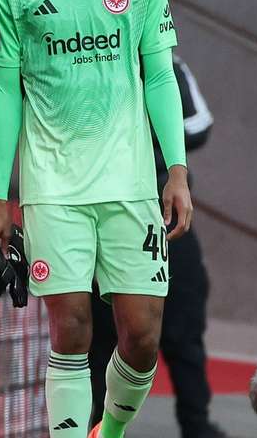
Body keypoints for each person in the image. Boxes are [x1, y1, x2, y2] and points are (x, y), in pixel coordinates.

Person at [0, 0, 192, 438]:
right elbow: (4, 93)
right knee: (70, 328)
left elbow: (160, 76)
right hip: (54, 185)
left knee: (142, 335)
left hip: (130, 182)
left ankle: (109, 432)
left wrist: (177, 171)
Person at [89, 56, 224, 437]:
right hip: (102, 219)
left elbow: (199, 124)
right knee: (99, 338)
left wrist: (138, 126)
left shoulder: (168, 64)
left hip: (163, 221)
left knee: (184, 329)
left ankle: (197, 426)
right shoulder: (89, 59)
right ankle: (96, 426)